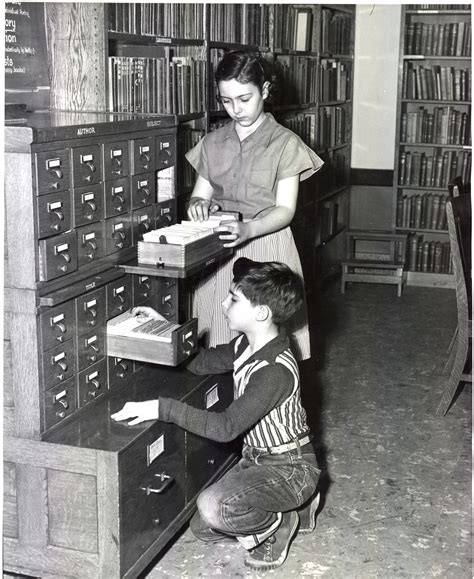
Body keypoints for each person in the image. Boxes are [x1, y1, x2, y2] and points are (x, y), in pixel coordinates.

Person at [111, 258, 321, 571]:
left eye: (234, 299)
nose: (224, 303)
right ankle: (291, 508)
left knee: (213, 506)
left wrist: (161, 408)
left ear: (261, 313)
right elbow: (200, 362)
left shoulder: (274, 371)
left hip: (290, 467)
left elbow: (225, 428)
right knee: (201, 527)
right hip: (258, 460)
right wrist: (164, 329)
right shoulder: (247, 345)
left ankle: (277, 522)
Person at [185, 50, 324, 360]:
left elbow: (285, 210)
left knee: (266, 350)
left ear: (265, 91)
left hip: (266, 247)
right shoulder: (212, 142)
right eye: (226, 101)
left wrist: (248, 229)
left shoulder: (286, 143)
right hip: (219, 251)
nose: (236, 109)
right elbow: (200, 195)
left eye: (244, 99)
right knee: (218, 339)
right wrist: (197, 205)